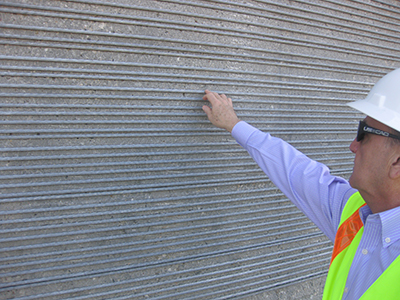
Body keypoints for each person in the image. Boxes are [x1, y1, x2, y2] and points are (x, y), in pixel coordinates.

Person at [202, 68, 400, 299]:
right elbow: (297, 170)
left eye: (363, 134)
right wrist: (234, 124)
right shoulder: (356, 212)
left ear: (397, 162)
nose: (353, 145)